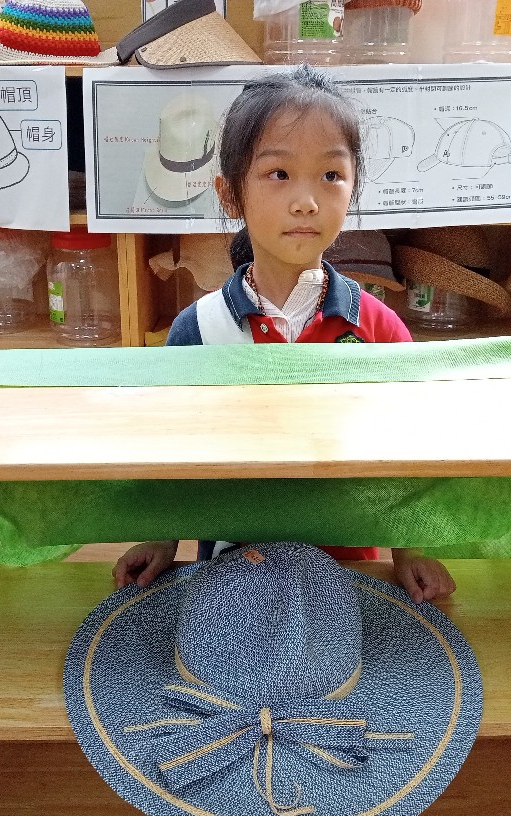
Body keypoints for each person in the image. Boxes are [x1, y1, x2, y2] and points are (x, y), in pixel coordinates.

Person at [114, 64, 455, 603]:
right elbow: (176, 450)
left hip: (351, 573)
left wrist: (411, 550)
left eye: (331, 175)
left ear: (353, 189)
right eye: (278, 174)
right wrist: (162, 538)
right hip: (231, 573)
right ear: (230, 196)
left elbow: (404, 449)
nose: (306, 201)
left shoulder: (380, 328)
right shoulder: (197, 330)